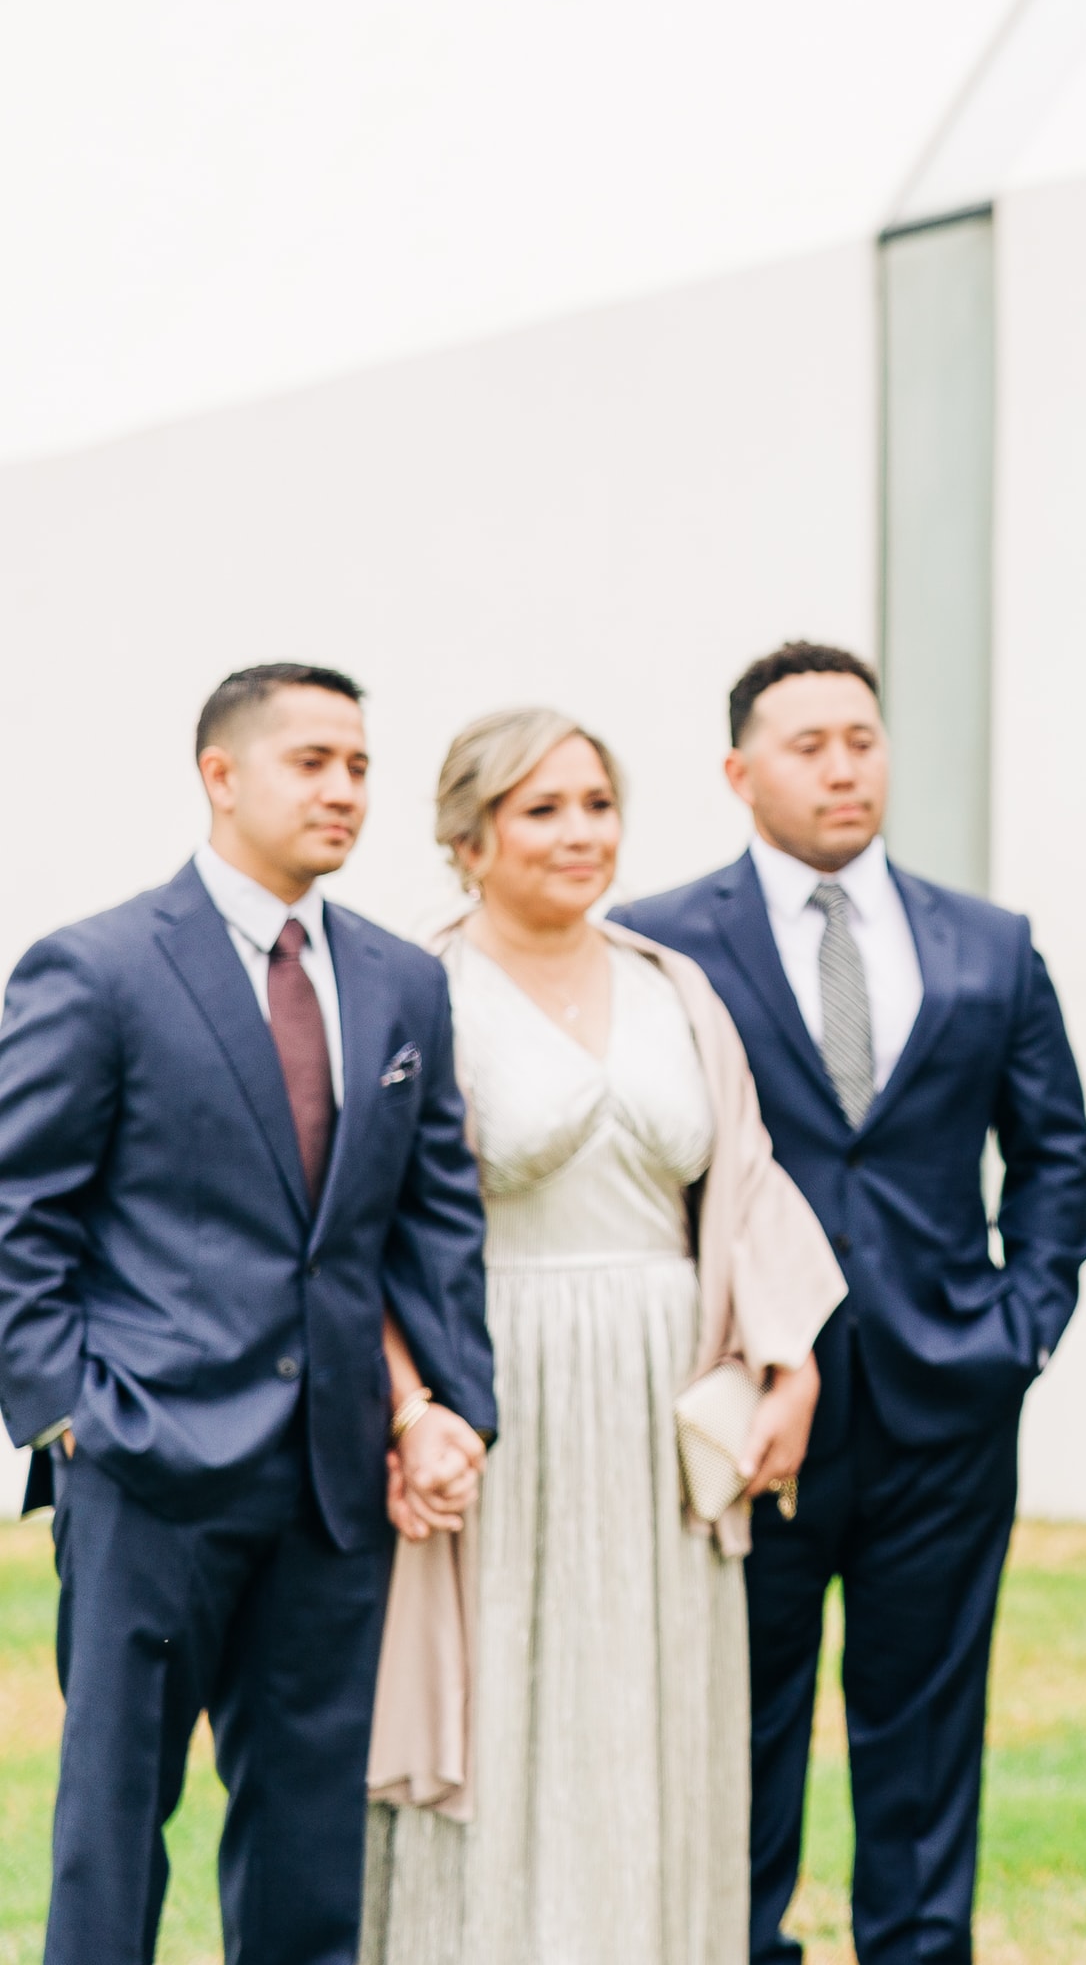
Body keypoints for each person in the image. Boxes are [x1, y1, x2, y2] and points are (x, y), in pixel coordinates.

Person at [0, 664, 494, 1965]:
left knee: (308, 1843)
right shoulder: (97, 968)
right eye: (313, 763)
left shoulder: (400, 984)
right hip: (145, 1473)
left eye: (360, 767)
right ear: (221, 775)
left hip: (332, 1489)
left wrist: (453, 1408)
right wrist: (65, 1415)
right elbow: (20, 1214)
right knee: (112, 1827)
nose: (345, 791)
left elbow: (432, 1218)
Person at [612, 643, 1086, 1965]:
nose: (841, 766)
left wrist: (1023, 1325)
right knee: (734, 1724)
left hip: (949, 1400)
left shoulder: (988, 943)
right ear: (738, 770)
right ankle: (737, 1945)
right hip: (747, 1408)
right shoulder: (655, 941)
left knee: (929, 1729)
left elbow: (1053, 1154)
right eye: (807, 743)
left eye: (862, 739)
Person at [360, 708, 844, 1965]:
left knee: (657, 1707)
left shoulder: (672, 985)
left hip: (662, 1384)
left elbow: (744, 1185)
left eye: (597, 804)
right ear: (469, 839)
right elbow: (360, 1231)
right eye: (542, 808)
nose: (580, 833)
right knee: (515, 1707)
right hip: (497, 1381)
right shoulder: (420, 990)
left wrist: (788, 1364)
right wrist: (413, 1408)